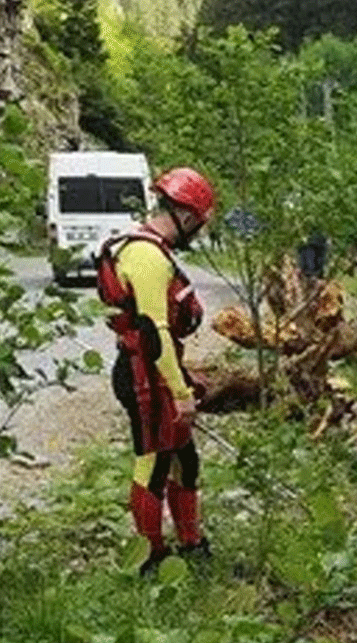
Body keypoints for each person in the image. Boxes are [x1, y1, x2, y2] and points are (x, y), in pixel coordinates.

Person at [96, 166, 216, 577]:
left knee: (185, 459)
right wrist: (180, 392)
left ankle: (191, 542)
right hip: (144, 376)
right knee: (153, 462)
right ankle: (150, 557)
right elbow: (154, 332)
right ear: (185, 216)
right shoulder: (147, 256)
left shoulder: (138, 246)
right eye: (197, 224)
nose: (197, 232)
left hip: (152, 370)